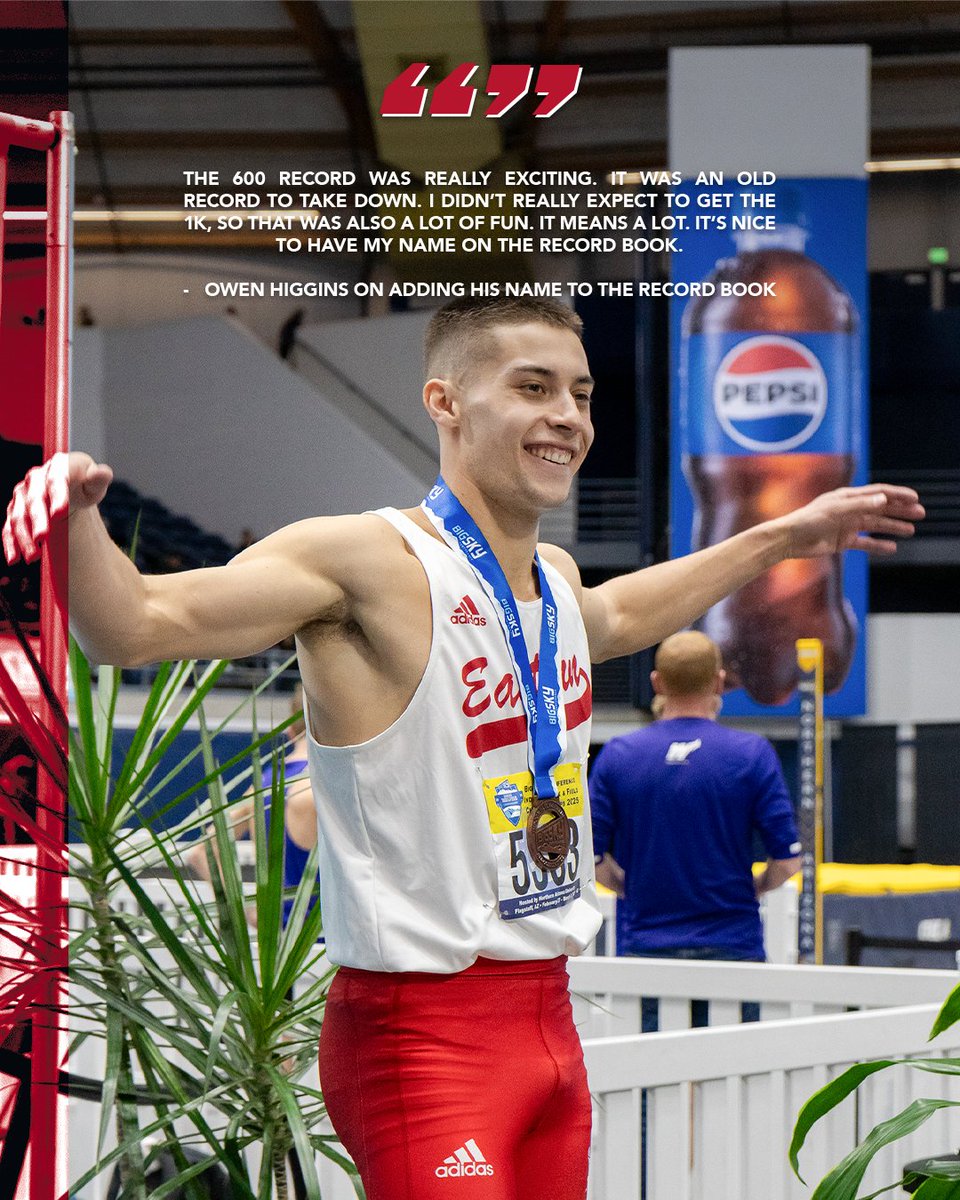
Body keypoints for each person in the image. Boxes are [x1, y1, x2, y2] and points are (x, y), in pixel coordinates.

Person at [2, 297, 923, 1200]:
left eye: (582, 393)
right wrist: (73, 520)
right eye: (532, 387)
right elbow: (140, 626)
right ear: (445, 401)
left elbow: (627, 611)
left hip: (550, 1025)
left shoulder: (553, 582)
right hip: (423, 1034)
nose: (566, 415)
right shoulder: (364, 560)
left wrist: (787, 535)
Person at [591, 630, 801, 1028]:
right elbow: (788, 862)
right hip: (732, 944)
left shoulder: (618, 755)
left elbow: (590, 857)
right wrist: (754, 887)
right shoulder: (752, 754)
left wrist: (626, 885)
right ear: (719, 681)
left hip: (646, 947)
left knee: (648, 1080)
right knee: (736, 1082)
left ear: (657, 683)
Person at [185, 687, 318, 931]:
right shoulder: (325, 785)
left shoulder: (266, 782)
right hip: (330, 949)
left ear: (290, 732)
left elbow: (203, 852)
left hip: (279, 951)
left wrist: (251, 913)